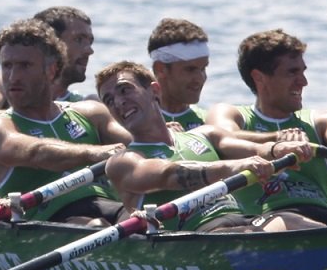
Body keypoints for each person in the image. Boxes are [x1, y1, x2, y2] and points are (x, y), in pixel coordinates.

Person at [95, 61, 312, 232]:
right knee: (243, 235)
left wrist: (278, 150)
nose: (118, 102)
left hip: (243, 222)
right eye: (109, 100)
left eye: (124, 90)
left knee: (289, 220)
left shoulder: (204, 134)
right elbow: (167, 174)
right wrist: (233, 167)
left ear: (154, 91)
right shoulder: (123, 162)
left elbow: (255, 150)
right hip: (196, 239)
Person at [0, 18, 128, 224]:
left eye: (25, 66)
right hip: (48, 219)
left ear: (52, 70)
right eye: (7, 66)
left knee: (139, 218)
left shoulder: (91, 113)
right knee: (96, 225)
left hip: (109, 206)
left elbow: (138, 142)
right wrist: (94, 153)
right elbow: (36, 152)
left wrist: (157, 133)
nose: (13, 77)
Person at [210, 30, 327, 229]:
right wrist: (277, 140)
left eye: (303, 71)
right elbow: (223, 138)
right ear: (259, 78)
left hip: (325, 216)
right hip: (262, 221)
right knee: (292, 223)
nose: (303, 82)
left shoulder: (322, 121)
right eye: (292, 72)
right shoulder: (231, 114)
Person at [0, 5, 94, 112]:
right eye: (79, 40)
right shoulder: (1, 82)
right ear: (52, 42)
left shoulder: (83, 106)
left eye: (90, 42)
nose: (89, 50)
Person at [145, 17, 213, 130]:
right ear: (160, 69)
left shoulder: (209, 122)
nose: (200, 78)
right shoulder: (132, 122)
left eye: (203, 69)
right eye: (190, 69)